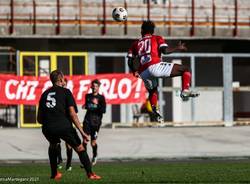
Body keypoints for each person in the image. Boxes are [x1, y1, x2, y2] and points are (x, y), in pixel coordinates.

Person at [127, 20, 199, 123]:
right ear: (152, 31)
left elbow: (130, 60)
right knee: (186, 69)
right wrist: (177, 48)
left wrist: (134, 70)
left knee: (152, 91)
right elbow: (165, 51)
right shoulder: (157, 38)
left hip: (143, 72)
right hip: (155, 66)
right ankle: (185, 91)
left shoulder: (135, 43)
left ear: (142, 30)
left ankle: (155, 111)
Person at [37, 70, 101, 180]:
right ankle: (90, 174)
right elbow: (72, 114)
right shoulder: (66, 92)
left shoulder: (44, 94)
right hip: (63, 126)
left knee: (53, 145)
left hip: (48, 127)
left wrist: (50, 123)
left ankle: (54, 174)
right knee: (80, 148)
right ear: (61, 79)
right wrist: (82, 132)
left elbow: (39, 119)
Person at [82, 79, 106, 166]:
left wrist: (97, 105)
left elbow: (103, 110)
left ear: (98, 87)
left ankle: (95, 155)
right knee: (84, 141)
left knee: (93, 143)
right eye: (93, 86)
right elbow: (87, 106)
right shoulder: (87, 96)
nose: (94, 88)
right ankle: (84, 159)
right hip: (87, 121)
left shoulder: (101, 98)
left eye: (96, 86)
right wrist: (86, 106)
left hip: (96, 123)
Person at [56, 78, 74, 172]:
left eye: (64, 84)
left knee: (68, 144)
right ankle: (59, 160)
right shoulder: (56, 94)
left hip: (67, 122)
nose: (63, 85)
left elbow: (74, 110)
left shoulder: (68, 94)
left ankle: (69, 163)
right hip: (58, 121)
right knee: (57, 142)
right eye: (62, 84)